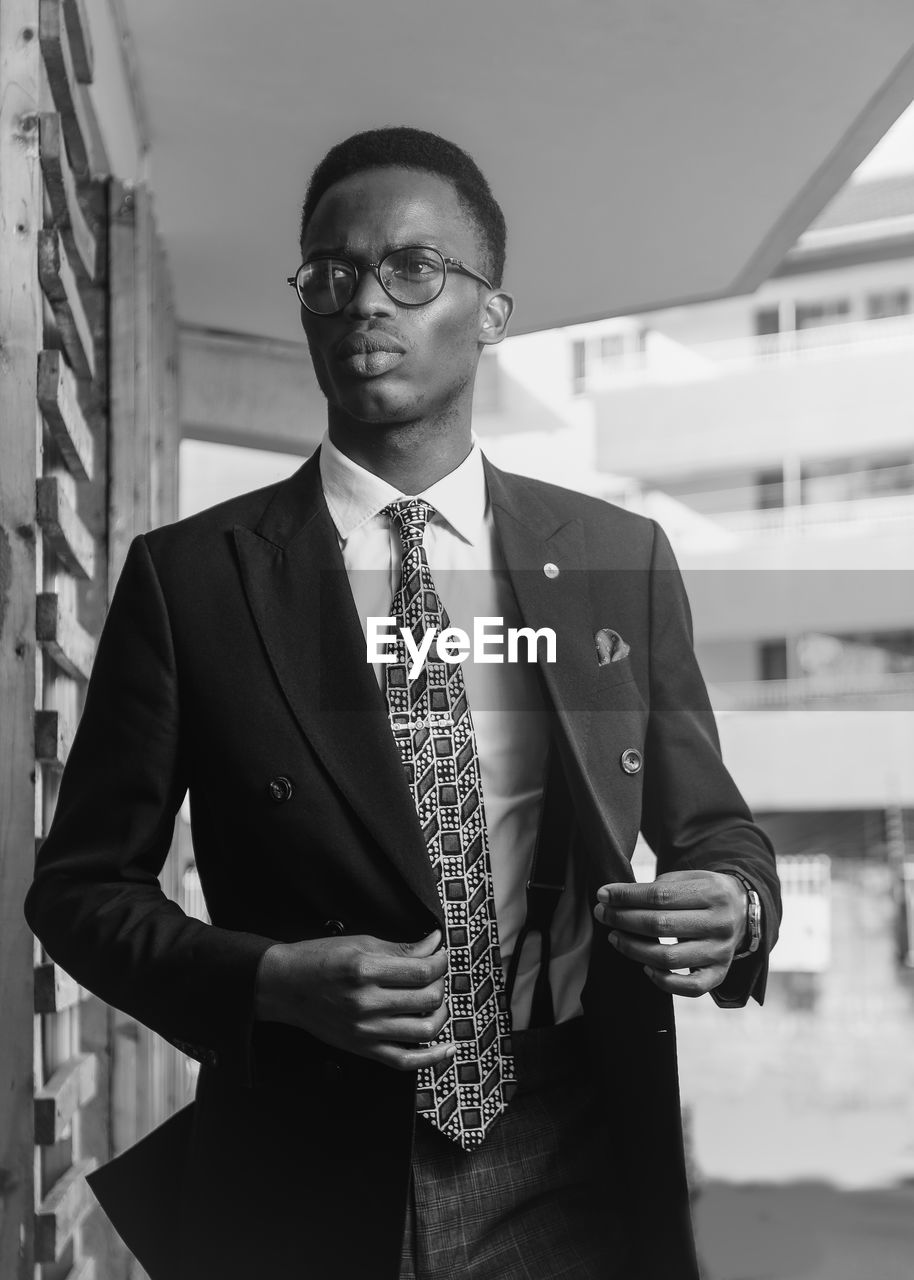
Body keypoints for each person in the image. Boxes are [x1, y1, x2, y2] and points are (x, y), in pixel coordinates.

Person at [25, 126, 781, 1279]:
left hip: (568, 1133)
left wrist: (733, 899)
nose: (363, 302)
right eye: (330, 274)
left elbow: (710, 826)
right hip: (306, 1156)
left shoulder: (616, 557)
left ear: (488, 310)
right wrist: (268, 980)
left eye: (412, 269)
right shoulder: (192, 580)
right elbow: (80, 891)